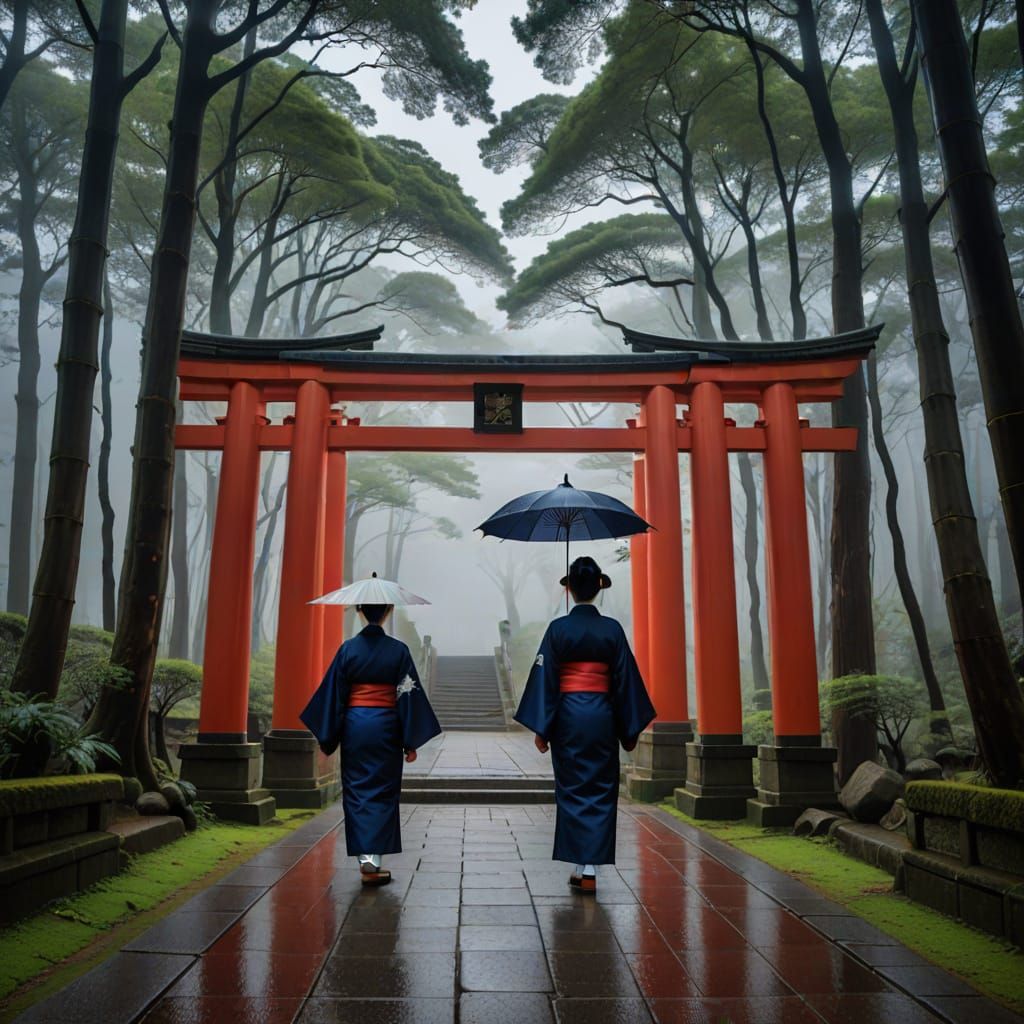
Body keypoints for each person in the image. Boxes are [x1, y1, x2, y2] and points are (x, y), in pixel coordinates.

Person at [515, 556, 656, 893]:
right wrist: (629, 730)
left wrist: (542, 727)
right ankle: (589, 866)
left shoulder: (557, 629)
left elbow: (546, 678)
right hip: (603, 715)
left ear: (570, 590)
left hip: (567, 716)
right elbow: (625, 681)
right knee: (602, 788)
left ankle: (582, 864)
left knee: (572, 787)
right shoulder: (612, 630)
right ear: (598, 589)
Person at [300, 603, 441, 886]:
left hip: (356, 725)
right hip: (387, 725)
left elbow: (334, 695)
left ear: (361, 612)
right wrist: (410, 740)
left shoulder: (348, 649)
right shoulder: (398, 650)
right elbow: (407, 694)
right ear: (388, 611)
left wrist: (328, 739)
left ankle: (366, 857)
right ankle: (374, 858)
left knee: (356, 788)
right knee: (384, 789)